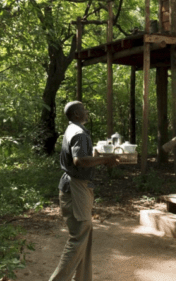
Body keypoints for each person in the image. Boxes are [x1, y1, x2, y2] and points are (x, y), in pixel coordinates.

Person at [49, 101, 120, 281]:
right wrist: (105, 160)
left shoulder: (73, 130)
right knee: (79, 236)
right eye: (83, 110)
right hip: (76, 187)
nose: (86, 112)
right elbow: (79, 160)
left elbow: (81, 157)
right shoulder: (79, 133)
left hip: (76, 186)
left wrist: (97, 155)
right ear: (76, 115)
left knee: (84, 235)